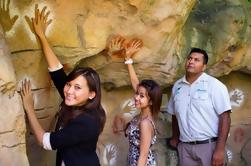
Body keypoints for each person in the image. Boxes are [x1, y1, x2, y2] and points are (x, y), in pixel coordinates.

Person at [20, 5, 106, 166]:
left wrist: (29, 108)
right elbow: (57, 72)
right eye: (69, 84)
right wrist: (42, 36)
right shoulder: (77, 102)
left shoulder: (86, 122)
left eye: (78, 87)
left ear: (91, 94)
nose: (69, 91)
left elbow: (45, 141)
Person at [167, 48, 231, 166]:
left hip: (209, 147)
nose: (191, 62)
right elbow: (175, 115)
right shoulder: (177, 86)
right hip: (185, 148)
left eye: (197, 60)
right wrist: (175, 137)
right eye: (190, 58)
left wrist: (220, 150)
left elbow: (225, 117)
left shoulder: (214, 85)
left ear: (204, 66)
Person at [110, 36, 162, 166]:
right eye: (137, 94)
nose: (136, 97)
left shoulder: (145, 123)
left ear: (151, 101)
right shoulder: (142, 116)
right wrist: (128, 59)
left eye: (142, 96)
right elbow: (136, 84)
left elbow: (143, 156)